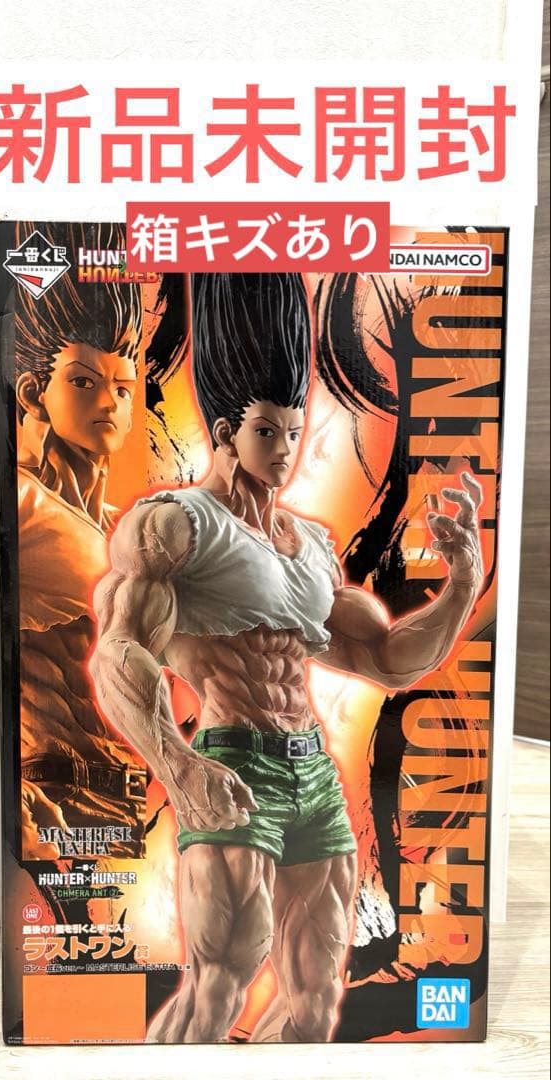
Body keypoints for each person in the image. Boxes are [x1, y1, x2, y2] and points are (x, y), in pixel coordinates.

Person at [90, 272, 483, 1042]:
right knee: (218, 986)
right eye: (266, 432)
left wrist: (461, 584)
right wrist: (180, 767)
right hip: (233, 768)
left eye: (295, 432)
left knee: (312, 999)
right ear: (226, 431)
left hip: (313, 779)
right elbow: (118, 653)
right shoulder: (175, 525)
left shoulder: (310, 548)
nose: (285, 450)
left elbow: (388, 661)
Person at [15, 221, 146, 858]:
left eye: (123, 388)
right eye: (85, 381)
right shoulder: (22, 504)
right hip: (51, 804)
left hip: (123, 801)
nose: (111, 404)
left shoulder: (115, 521)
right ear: (33, 393)